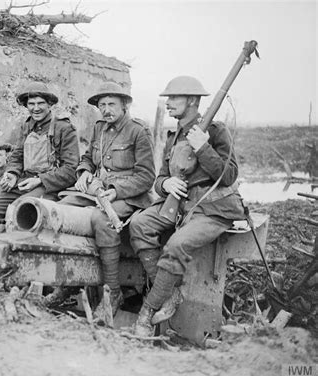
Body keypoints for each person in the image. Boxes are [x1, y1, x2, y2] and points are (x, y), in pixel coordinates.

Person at [129, 76, 245, 336]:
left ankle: (147, 312)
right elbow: (158, 179)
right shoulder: (174, 136)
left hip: (213, 210)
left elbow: (228, 176)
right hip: (180, 206)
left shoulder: (215, 131)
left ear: (192, 100)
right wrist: (166, 184)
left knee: (176, 244)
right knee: (138, 225)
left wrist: (203, 148)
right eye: (168, 99)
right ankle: (169, 294)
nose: (168, 104)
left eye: (173, 98)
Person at [59, 82, 155, 317]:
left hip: (130, 196)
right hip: (97, 191)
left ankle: (113, 292)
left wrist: (115, 190)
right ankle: (66, 285)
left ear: (124, 105)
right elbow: (89, 158)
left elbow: (147, 177)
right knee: (61, 210)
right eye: (102, 105)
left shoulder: (138, 131)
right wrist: (83, 172)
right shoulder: (99, 128)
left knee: (102, 220)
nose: (106, 109)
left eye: (111, 104)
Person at [0, 81, 80, 233]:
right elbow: (17, 156)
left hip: (50, 187)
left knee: (16, 212)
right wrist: (13, 173)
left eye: (41, 103)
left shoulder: (64, 128)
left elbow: (71, 170)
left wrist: (40, 180)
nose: (36, 108)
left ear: (49, 105)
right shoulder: (27, 126)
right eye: (31, 103)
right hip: (24, 183)